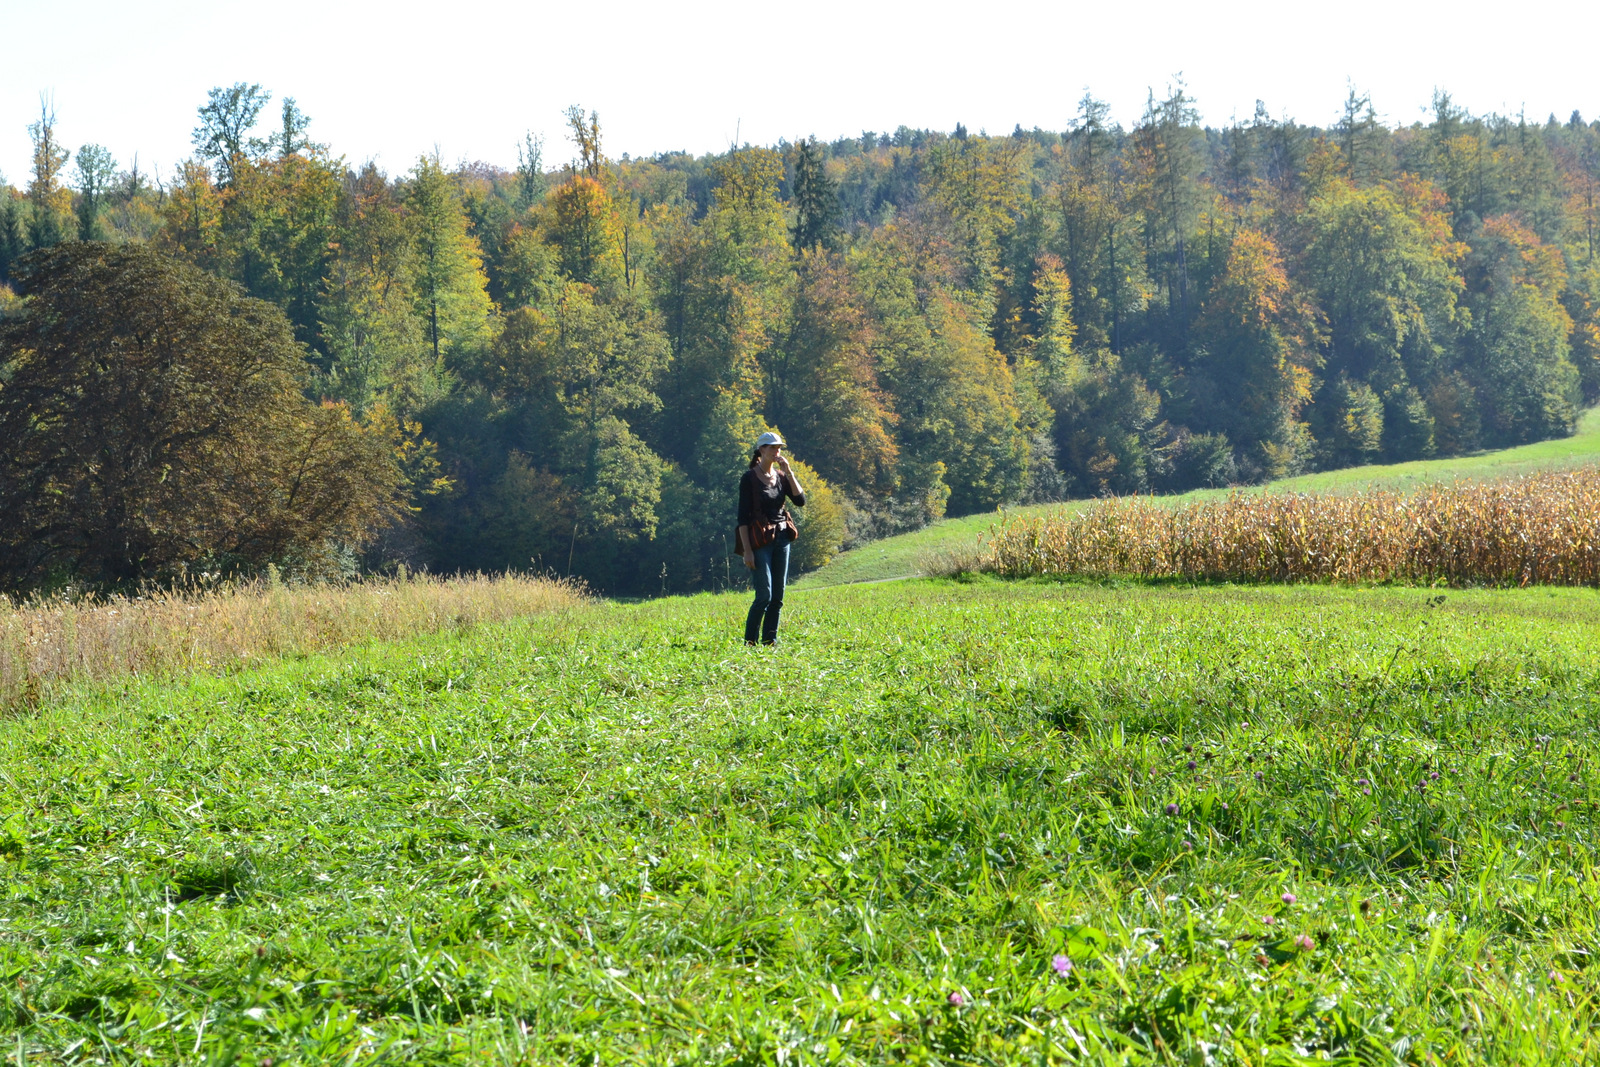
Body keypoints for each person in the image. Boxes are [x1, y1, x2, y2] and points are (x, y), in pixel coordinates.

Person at [736, 431, 805, 645]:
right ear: (762, 450)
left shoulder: (782, 477)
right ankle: (750, 643)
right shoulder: (749, 478)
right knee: (764, 596)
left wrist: (789, 471)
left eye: (779, 448)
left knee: (777, 598)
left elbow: (800, 500)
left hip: (782, 538)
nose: (777, 451)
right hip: (759, 541)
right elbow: (742, 518)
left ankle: (770, 642)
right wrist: (747, 551)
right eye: (773, 447)